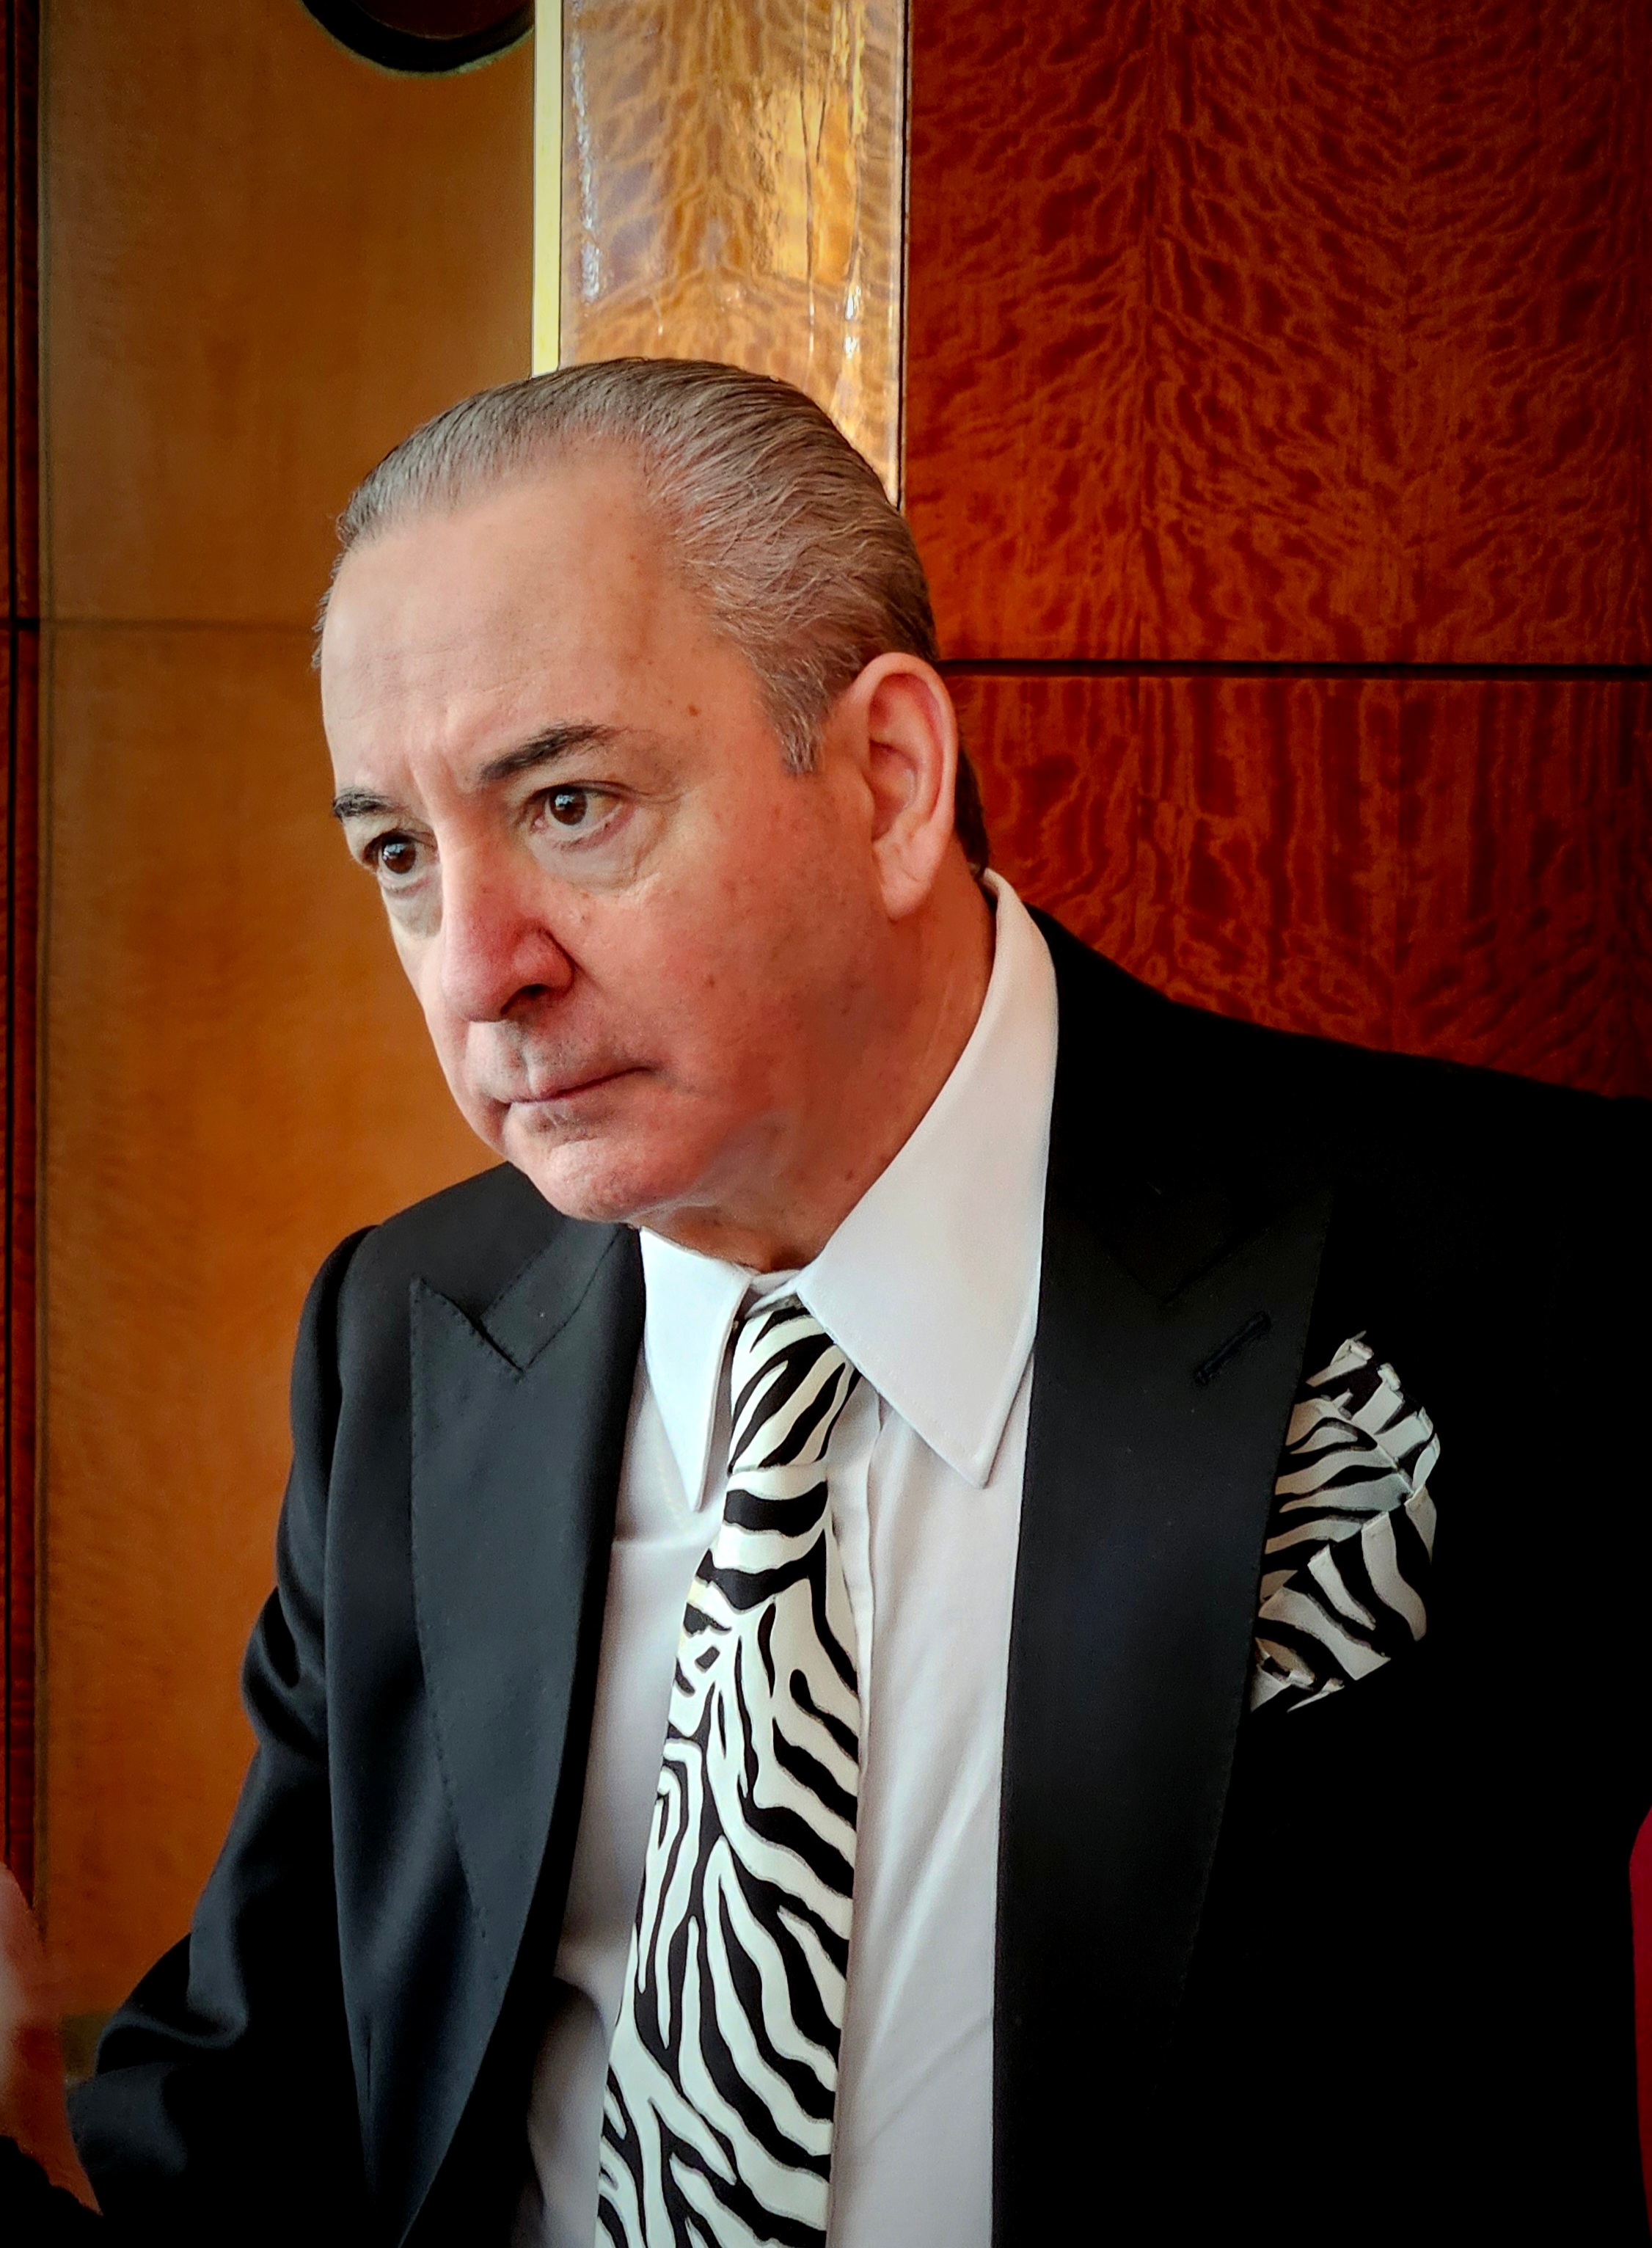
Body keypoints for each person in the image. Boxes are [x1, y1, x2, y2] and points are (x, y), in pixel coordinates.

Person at [4, 360, 1648, 2244]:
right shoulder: (410, 1330)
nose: (473, 967)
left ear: (887, 780)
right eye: (398, 852)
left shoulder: (1525, 1274)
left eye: (570, 802)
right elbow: (259, 2113)